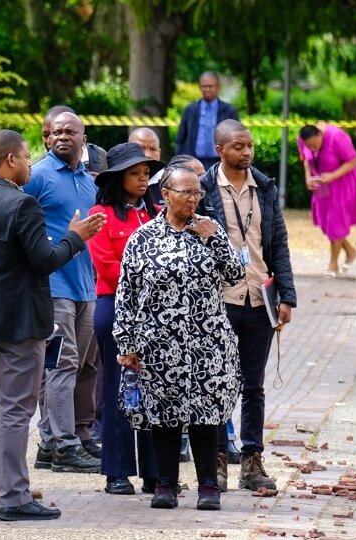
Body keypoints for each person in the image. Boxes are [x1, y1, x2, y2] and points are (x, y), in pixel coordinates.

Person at [0, 129, 105, 521]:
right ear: (11, 160)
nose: (31, 166)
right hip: (19, 322)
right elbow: (44, 260)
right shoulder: (23, 204)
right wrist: (75, 237)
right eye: (27, 158)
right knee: (16, 409)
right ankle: (14, 497)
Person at [113, 165, 246, 511]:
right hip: (159, 344)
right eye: (186, 192)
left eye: (197, 193)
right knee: (164, 415)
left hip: (207, 342)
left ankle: (208, 486)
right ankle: (165, 485)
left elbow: (235, 275)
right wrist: (126, 344)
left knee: (206, 414)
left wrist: (215, 239)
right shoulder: (143, 238)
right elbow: (127, 294)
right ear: (166, 194)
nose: (193, 199)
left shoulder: (209, 230)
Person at [197, 119, 297, 493]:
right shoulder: (203, 189)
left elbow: (279, 244)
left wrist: (287, 296)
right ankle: (218, 460)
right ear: (220, 150)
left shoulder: (265, 187)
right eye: (238, 146)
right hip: (219, 301)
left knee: (253, 386)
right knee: (217, 384)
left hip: (259, 299)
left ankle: (252, 462)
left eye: (250, 145)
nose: (247, 152)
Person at [25, 111, 103, 473]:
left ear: (83, 139)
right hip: (52, 286)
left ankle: (48, 444)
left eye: (70, 132)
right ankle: (64, 446)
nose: (62, 136)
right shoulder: (37, 175)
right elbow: (18, 221)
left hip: (85, 285)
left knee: (77, 365)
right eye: (56, 132)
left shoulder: (90, 182)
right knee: (62, 364)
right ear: (46, 138)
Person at [86, 143, 162, 496]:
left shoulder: (156, 214)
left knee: (153, 390)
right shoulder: (100, 214)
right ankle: (116, 471)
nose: (143, 179)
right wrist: (153, 274)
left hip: (154, 312)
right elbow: (107, 267)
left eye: (146, 173)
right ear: (118, 178)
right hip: (116, 308)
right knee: (120, 390)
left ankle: (154, 471)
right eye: (135, 173)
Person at [297, 123, 356, 276]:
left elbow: (352, 162)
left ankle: (333, 264)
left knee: (335, 223)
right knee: (326, 224)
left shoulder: (337, 137)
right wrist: (308, 177)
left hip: (342, 183)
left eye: (315, 145)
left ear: (320, 135)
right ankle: (350, 251)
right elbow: (306, 160)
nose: (313, 149)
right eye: (310, 146)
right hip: (322, 186)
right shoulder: (303, 139)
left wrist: (333, 176)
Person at [176, 72, 240, 170]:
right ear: (200, 87)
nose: (207, 89)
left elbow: (237, 139)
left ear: (218, 87)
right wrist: (179, 162)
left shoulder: (229, 110)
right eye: (204, 86)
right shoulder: (190, 110)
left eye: (210, 86)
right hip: (194, 162)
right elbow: (181, 139)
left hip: (221, 162)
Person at [42, 105, 108, 175]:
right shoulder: (40, 168)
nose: (49, 140)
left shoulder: (99, 156)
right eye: (46, 135)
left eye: (69, 132)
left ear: (83, 139)